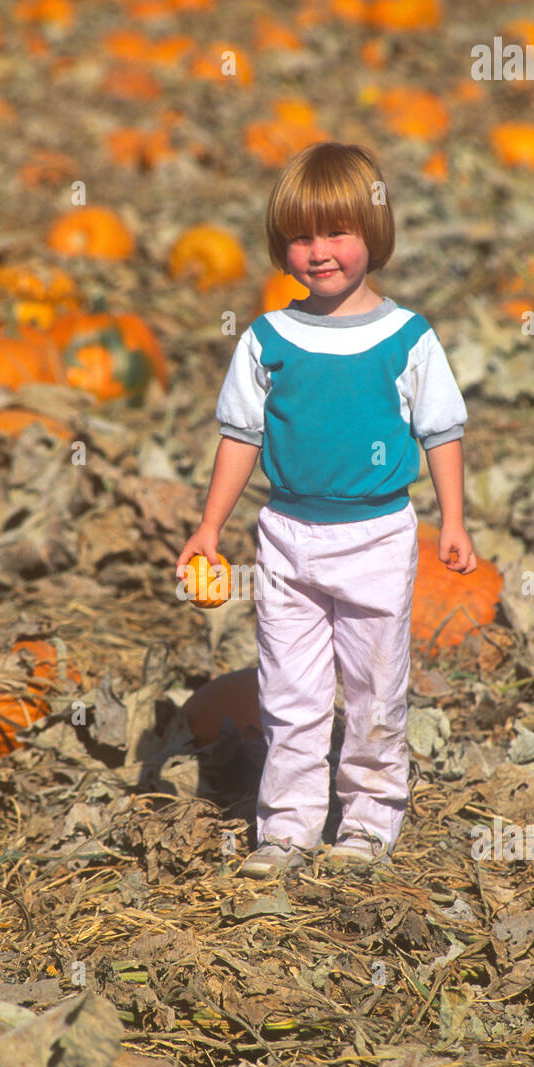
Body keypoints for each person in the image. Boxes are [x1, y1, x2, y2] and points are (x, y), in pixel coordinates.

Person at [176, 141, 477, 879]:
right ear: (282, 249)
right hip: (286, 534)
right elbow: (240, 436)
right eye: (302, 237)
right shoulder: (268, 339)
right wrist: (210, 526)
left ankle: (371, 819)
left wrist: (455, 520)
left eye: (337, 232)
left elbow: (441, 433)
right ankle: (286, 826)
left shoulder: (407, 338)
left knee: (376, 687)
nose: (320, 251)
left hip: (377, 533)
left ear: (376, 236)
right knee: (291, 691)